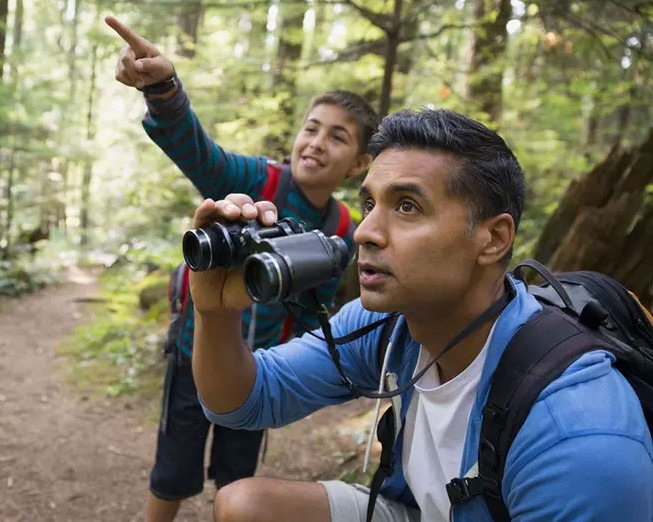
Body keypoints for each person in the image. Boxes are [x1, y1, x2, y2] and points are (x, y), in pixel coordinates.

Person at [186, 108, 653, 522]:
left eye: (407, 206)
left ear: (493, 239)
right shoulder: (393, 327)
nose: (366, 231)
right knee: (245, 506)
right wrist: (214, 312)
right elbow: (244, 400)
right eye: (370, 204)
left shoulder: (576, 443)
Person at [104, 15, 379, 522]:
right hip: (195, 352)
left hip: (262, 369)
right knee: (172, 471)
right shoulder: (259, 179)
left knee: (239, 477)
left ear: (359, 163)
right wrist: (164, 90)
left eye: (337, 137)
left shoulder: (344, 228)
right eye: (310, 129)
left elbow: (321, 310)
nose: (316, 143)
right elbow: (201, 156)